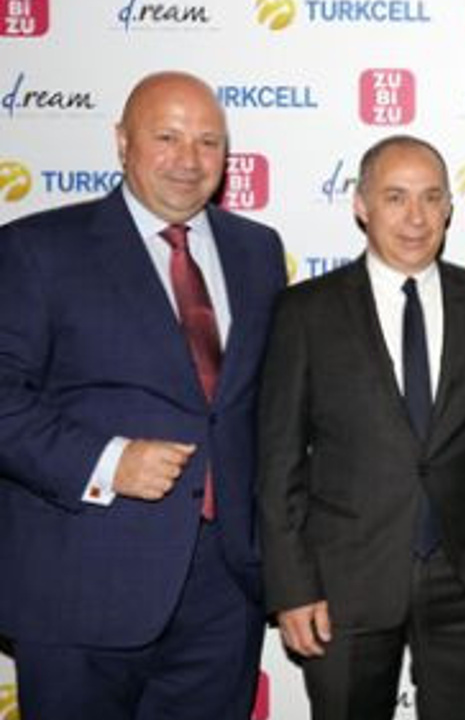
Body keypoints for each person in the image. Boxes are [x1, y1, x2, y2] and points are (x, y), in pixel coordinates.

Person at [0, 71, 285, 719]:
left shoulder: (258, 251)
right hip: (81, 585)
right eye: (167, 137)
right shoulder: (37, 248)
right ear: (122, 142)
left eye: (209, 141)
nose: (190, 159)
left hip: (224, 592)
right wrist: (107, 462)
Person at [256, 134, 465, 720]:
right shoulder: (306, 311)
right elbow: (278, 460)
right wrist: (293, 586)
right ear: (361, 205)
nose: (416, 217)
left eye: (431, 197)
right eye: (395, 197)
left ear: (449, 208)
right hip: (343, 586)